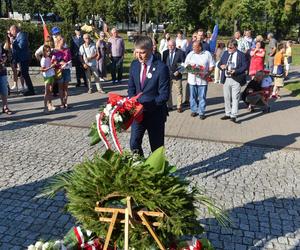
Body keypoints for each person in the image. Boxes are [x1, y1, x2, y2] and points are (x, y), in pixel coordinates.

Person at [128, 36, 170, 156]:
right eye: (136, 52)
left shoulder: (161, 68)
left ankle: (158, 171)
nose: (138, 56)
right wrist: (133, 102)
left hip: (155, 114)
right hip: (137, 113)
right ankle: (141, 168)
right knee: (134, 143)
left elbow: (164, 95)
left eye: (142, 52)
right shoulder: (134, 65)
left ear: (151, 50)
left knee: (156, 148)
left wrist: (146, 106)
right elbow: (131, 88)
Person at [218, 39, 248, 123]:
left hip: (236, 78)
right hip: (226, 78)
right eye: (228, 47)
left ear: (236, 47)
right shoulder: (225, 53)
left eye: (231, 48)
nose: (229, 49)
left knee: (235, 97)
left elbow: (245, 66)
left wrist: (236, 71)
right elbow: (219, 63)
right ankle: (227, 113)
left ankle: (234, 115)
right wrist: (221, 66)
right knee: (227, 97)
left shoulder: (241, 55)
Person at [184, 40, 215, 119]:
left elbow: (212, 66)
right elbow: (185, 65)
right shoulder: (190, 54)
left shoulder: (207, 54)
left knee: (202, 97)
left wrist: (207, 74)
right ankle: (194, 110)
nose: (193, 48)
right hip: (192, 80)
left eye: (194, 47)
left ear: (200, 47)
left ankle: (201, 112)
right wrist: (192, 69)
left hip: (203, 80)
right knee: (192, 97)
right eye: (192, 46)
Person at [9, 25, 35, 96]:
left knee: (25, 74)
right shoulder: (17, 36)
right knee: (24, 74)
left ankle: (31, 90)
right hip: (20, 59)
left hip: (24, 58)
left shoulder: (22, 35)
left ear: (14, 30)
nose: (11, 33)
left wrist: (13, 42)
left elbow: (21, 46)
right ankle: (30, 89)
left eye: (11, 31)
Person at [163, 39, 186, 113]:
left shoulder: (180, 52)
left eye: (172, 45)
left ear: (175, 45)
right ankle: (170, 106)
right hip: (167, 76)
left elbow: (184, 64)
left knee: (179, 91)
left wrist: (179, 71)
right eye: (169, 45)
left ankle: (179, 106)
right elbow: (164, 64)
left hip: (177, 76)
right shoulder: (165, 53)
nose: (171, 47)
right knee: (168, 91)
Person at [52, 35, 72, 109]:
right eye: (62, 42)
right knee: (60, 87)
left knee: (66, 88)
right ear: (58, 41)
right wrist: (59, 63)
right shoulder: (54, 51)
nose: (63, 43)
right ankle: (62, 103)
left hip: (66, 70)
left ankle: (66, 102)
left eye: (64, 42)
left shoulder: (67, 50)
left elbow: (70, 60)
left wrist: (67, 63)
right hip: (58, 71)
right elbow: (53, 62)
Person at [40, 45, 56, 113]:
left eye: (49, 51)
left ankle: (50, 105)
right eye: (47, 51)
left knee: (50, 90)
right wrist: (50, 67)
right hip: (47, 76)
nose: (49, 52)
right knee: (46, 92)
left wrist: (53, 64)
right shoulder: (43, 59)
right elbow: (43, 70)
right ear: (44, 51)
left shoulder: (49, 58)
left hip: (51, 75)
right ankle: (45, 107)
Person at [0, 43, 12, 115]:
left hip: (2, 70)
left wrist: (4, 59)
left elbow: (5, 55)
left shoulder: (1, 45)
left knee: (4, 90)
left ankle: (5, 107)